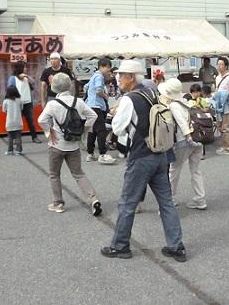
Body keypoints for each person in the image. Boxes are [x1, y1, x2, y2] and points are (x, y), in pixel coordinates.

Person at [101, 60, 186, 262]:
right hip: (161, 154)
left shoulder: (129, 99)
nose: (118, 78)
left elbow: (119, 128)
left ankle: (120, 245)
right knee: (166, 203)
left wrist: (114, 114)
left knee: (128, 203)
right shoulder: (154, 92)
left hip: (140, 156)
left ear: (131, 77)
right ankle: (176, 246)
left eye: (121, 75)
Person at [37, 73, 102, 216]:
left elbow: (41, 120)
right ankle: (94, 200)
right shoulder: (78, 101)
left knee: (54, 174)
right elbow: (93, 115)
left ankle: (58, 203)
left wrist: (49, 131)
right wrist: (84, 130)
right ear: (69, 85)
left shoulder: (52, 104)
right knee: (79, 174)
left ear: (54, 87)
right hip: (73, 145)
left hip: (56, 145)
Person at [160, 79, 207, 210]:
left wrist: (188, 136)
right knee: (196, 171)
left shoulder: (174, 105)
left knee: (174, 171)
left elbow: (181, 123)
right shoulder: (186, 102)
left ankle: (170, 199)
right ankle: (200, 199)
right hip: (197, 139)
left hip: (184, 141)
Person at [85, 59, 115, 165]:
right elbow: (98, 90)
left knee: (92, 130)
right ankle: (102, 154)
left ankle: (90, 153)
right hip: (97, 106)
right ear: (102, 66)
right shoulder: (99, 76)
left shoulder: (93, 76)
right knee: (101, 130)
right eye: (108, 68)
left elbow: (86, 87)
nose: (108, 71)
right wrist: (105, 96)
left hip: (90, 106)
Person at [7, 62, 42, 143]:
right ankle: (16, 138)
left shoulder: (26, 78)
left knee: (30, 121)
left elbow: (33, 82)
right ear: (20, 68)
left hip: (28, 103)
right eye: (24, 67)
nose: (26, 69)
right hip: (17, 103)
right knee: (17, 121)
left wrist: (27, 76)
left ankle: (34, 137)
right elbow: (10, 89)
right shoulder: (12, 78)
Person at [215, 57, 229, 156]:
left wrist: (224, 94)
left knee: (226, 127)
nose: (219, 66)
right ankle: (224, 146)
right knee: (220, 126)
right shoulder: (217, 77)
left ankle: (228, 148)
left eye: (221, 64)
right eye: (218, 64)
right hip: (219, 105)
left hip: (227, 105)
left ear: (226, 66)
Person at [2, 86, 23, 156]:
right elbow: (21, 108)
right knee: (18, 137)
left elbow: (4, 110)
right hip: (18, 122)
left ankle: (10, 150)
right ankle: (18, 150)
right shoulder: (19, 100)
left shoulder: (6, 101)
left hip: (9, 122)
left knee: (10, 137)